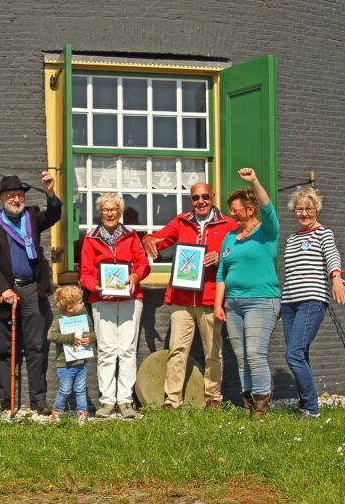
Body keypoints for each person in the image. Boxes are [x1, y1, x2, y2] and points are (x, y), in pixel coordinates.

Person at [142, 183, 236, 409]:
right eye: (195, 198)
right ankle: (172, 400)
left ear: (213, 196)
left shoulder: (228, 224)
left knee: (213, 352)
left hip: (210, 298)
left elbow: (239, 254)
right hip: (181, 298)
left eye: (205, 196)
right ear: (190, 200)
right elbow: (160, 239)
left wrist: (221, 257)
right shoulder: (181, 221)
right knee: (177, 350)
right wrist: (148, 239)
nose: (201, 201)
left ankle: (213, 398)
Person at [0, 171, 62, 415]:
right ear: (1, 198)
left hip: (31, 289)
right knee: (4, 349)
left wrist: (50, 192)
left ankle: (38, 400)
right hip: (5, 292)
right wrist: (4, 289)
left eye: (19, 195)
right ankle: (4, 399)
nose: (16, 199)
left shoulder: (32, 217)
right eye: (10, 195)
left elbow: (55, 215)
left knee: (37, 347)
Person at [214, 168, 280, 418]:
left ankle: (262, 406)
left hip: (261, 302)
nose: (231, 213)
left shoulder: (267, 232)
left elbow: (268, 207)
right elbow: (222, 271)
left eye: (236, 209)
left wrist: (254, 180)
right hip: (233, 304)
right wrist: (218, 305)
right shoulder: (230, 237)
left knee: (255, 353)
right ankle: (250, 404)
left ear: (250, 210)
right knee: (242, 356)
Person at [79, 193, 150, 419]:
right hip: (102, 299)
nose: (109, 213)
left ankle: (126, 401)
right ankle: (108, 401)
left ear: (120, 212)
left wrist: (136, 276)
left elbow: (143, 262)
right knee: (107, 350)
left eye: (113, 209)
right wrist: (95, 285)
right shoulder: (91, 238)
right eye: (105, 210)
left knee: (128, 349)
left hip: (130, 297)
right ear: (100, 213)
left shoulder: (131, 236)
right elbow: (85, 272)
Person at [281, 186, 345, 420]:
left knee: (293, 354)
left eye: (308, 209)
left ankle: (311, 409)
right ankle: (305, 406)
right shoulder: (291, 239)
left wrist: (336, 278)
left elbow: (332, 256)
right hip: (290, 302)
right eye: (299, 209)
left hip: (312, 300)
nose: (304, 214)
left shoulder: (323, 234)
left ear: (316, 209)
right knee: (301, 354)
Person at [47, 285, 96, 422]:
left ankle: (82, 413)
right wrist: (70, 338)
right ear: (70, 307)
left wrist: (89, 339)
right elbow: (51, 335)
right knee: (65, 389)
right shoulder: (58, 321)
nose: (83, 303)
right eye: (80, 302)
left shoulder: (83, 319)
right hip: (65, 364)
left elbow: (92, 334)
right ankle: (57, 411)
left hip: (81, 362)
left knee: (80, 389)